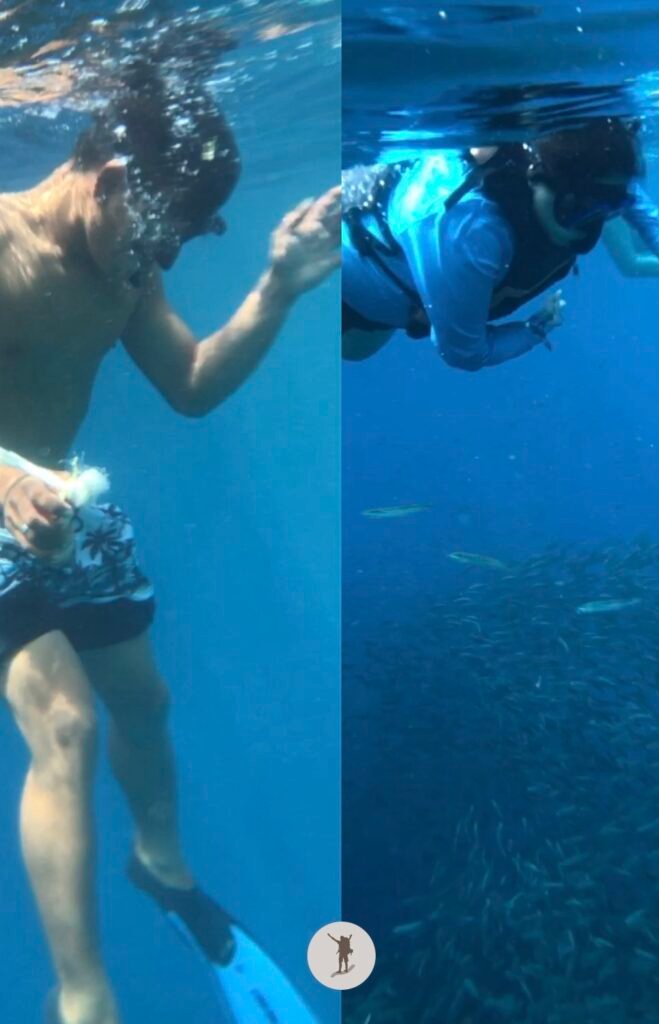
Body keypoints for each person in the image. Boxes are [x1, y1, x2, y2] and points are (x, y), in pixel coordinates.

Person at [0, 55, 339, 1024]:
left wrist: (276, 289)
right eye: (161, 232)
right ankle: (84, 997)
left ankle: (160, 864)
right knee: (65, 722)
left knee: (144, 697)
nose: (165, 260)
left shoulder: (126, 262)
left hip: (61, 501)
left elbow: (189, 385)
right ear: (109, 181)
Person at [342, 117, 659, 369]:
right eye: (580, 208)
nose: (590, 224)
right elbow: (463, 353)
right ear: (536, 180)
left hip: (390, 273)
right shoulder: (472, 236)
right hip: (343, 285)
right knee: (354, 350)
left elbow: (611, 183)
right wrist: (535, 329)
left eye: (608, 209)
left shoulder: (564, 168)